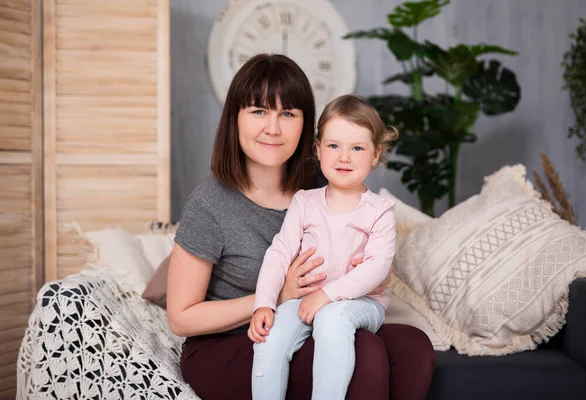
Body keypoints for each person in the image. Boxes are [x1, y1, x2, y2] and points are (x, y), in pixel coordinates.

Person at [166, 53, 435, 400]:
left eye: (288, 113)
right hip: (235, 342)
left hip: (317, 317)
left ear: (308, 127)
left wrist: (373, 275)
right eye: (259, 111)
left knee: (413, 347)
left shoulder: (322, 183)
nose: (273, 128)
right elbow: (181, 318)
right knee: (363, 352)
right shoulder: (211, 203)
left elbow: (365, 249)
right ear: (234, 118)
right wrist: (277, 296)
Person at [249, 94, 399, 400]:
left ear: (375, 154)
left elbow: (377, 267)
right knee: (269, 337)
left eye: (357, 148)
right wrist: (264, 302)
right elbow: (279, 253)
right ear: (318, 150)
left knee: (332, 319)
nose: (344, 157)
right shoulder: (304, 202)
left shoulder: (380, 210)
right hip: (305, 299)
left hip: (361, 304)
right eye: (334, 146)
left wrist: (327, 295)